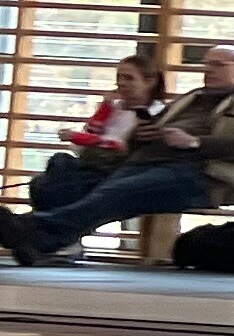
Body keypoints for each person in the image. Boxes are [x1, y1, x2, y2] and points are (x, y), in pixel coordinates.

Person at [2, 43, 234, 265]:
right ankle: (43, 240)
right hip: (144, 163)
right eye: (207, 64)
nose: (209, 69)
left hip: (199, 175)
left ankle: (32, 232)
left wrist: (195, 142)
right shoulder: (192, 98)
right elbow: (144, 134)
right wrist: (142, 136)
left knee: (116, 193)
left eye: (219, 64)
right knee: (66, 178)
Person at [29, 53, 159, 216]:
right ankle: (56, 220)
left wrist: (77, 137)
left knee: (56, 170)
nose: (121, 83)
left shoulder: (153, 113)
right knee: (42, 182)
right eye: (119, 77)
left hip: (114, 170)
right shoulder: (116, 107)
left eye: (129, 78)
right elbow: (91, 132)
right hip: (91, 163)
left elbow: (116, 145)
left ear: (149, 82)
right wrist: (105, 108)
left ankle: (55, 220)